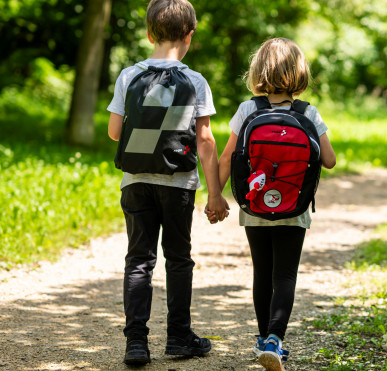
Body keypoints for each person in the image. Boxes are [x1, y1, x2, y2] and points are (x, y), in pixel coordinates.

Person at [106, 0, 229, 365]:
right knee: (178, 259)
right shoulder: (194, 80)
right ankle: (178, 337)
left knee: (139, 260)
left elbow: (115, 133)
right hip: (178, 183)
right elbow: (205, 142)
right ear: (189, 36)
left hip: (136, 181)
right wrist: (216, 194)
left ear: (148, 34)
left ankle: (136, 343)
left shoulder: (129, 75)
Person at [213, 37, 336, 371]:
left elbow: (226, 158)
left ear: (258, 70)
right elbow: (329, 160)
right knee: (285, 275)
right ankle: (275, 340)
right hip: (294, 208)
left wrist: (215, 196)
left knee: (262, 272)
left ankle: (261, 337)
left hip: (254, 206)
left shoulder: (248, 110)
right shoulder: (308, 112)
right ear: (299, 73)